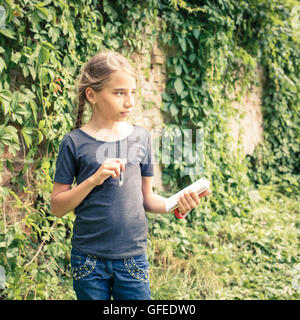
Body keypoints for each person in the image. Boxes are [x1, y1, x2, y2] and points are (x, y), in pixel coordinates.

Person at [51, 51, 211, 300]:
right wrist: (93, 180)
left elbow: (147, 199)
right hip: (88, 262)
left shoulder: (141, 137)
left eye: (132, 93)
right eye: (119, 93)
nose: (130, 102)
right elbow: (57, 207)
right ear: (92, 95)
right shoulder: (73, 143)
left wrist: (178, 204)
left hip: (132, 260)